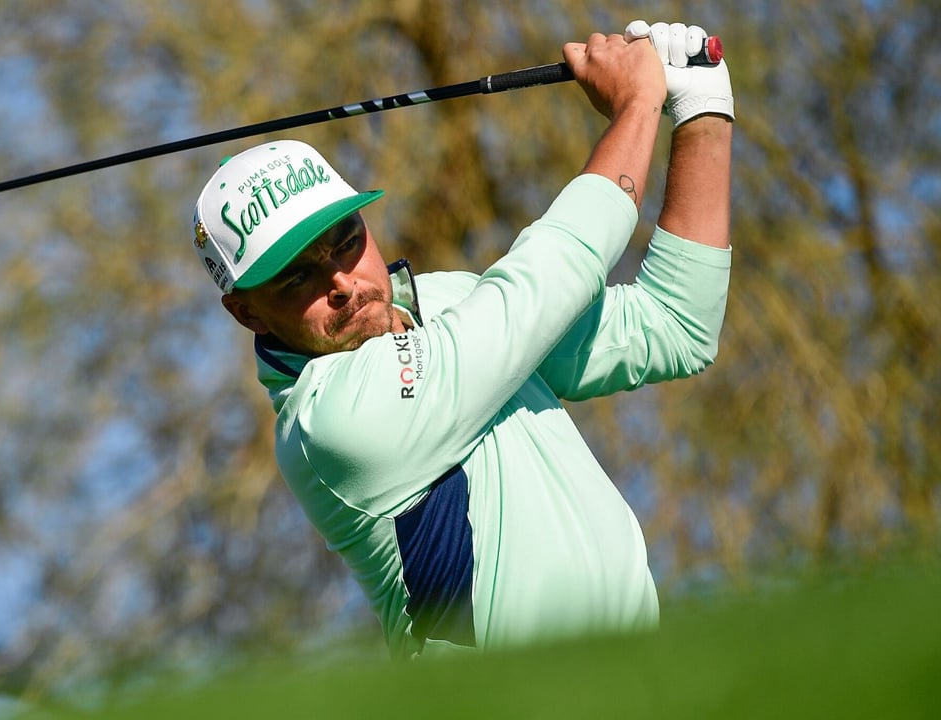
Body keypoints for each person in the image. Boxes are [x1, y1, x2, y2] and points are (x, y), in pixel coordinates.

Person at [189, 20, 733, 658]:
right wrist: (638, 106)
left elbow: (672, 325)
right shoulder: (331, 422)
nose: (344, 282)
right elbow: (545, 280)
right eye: (298, 279)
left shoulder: (449, 302)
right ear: (246, 314)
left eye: (347, 242)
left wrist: (701, 108)